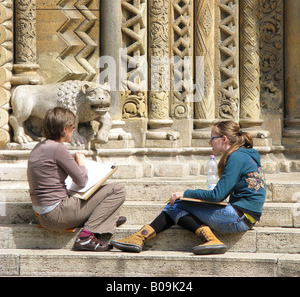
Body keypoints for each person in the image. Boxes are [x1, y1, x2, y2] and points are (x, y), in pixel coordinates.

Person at [111, 121, 266, 255]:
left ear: (224, 139)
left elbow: (217, 196)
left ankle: (141, 237)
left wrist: (185, 193)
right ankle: (140, 238)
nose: (209, 142)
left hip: (237, 218)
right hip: (245, 217)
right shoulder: (245, 154)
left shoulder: (236, 157)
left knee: (175, 205)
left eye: (212, 138)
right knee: (177, 206)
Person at [27, 107, 126, 252]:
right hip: (56, 214)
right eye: (73, 128)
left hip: (42, 215)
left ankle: (103, 219)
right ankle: (86, 237)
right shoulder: (58, 149)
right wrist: (82, 164)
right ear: (65, 129)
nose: (74, 131)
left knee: (98, 195)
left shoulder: (38, 147)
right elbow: (82, 181)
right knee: (117, 189)